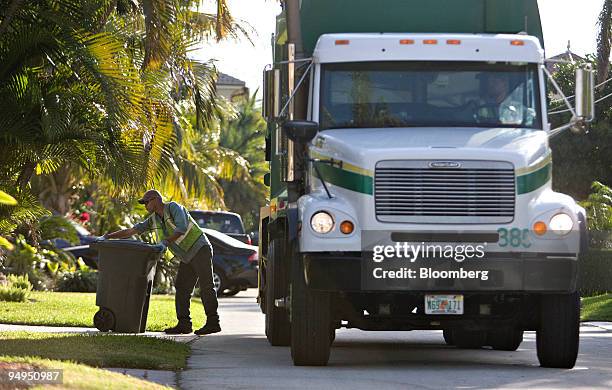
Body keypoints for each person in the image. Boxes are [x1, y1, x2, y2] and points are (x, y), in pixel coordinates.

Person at [103, 189, 220, 335]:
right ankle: (184, 324)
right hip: (186, 256)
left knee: (206, 285)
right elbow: (132, 231)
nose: (145, 205)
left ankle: (213, 322)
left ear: (156, 199)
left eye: (146, 202)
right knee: (182, 288)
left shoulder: (174, 208)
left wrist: (165, 242)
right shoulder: (154, 219)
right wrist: (107, 237)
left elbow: (182, 228)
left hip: (199, 248)